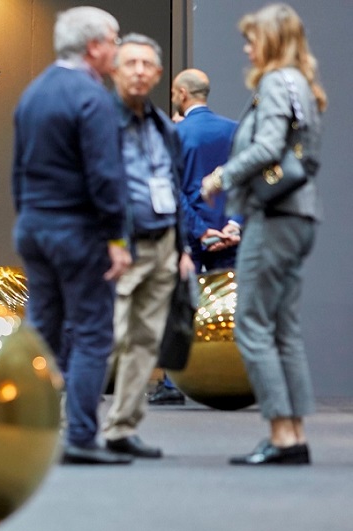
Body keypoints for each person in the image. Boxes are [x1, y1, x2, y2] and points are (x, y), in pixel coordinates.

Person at [201, 3, 325, 465]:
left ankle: (280, 434)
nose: (246, 49)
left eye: (251, 40)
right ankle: (293, 435)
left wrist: (222, 176)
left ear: (271, 41)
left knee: (252, 324)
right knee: (284, 329)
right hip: (299, 214)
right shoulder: (301, 85)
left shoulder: (275, 82)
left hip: (273, 217)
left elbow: (269, 147)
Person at [12, 7, 133, 465]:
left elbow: (18, 172)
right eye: (114, 39)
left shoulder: (33, 93)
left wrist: (29, 220)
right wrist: (117, 239)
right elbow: (106, 177)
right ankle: (81, 436)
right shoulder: (92, 97)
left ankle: (30, 430)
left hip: (34, 227)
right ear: (94, 46)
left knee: (42, 332)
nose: (118, 49)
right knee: (92, 333)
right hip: (79, 232)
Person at [102, 34, 194, 458]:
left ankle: (122, 427)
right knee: (108, 337)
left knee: (144, 341)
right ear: (114, 70)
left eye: (146, 65)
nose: (139, 71)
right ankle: (73, 426)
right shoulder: (100, 121)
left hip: (163, 245)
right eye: (130, 63)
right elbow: (95, 187)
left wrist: (183, 248)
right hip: (120, 248)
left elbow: (174, 188)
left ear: (158, 75)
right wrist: (110, 239)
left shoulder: (162, 126)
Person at [149, 68, 240, 406]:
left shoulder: (174, 134)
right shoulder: (235, 130)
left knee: (179, 306)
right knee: (233, 308)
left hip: (192, 235)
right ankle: (234, 379)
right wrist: (234, 224)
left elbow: (172, 193)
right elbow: (248, 182)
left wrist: (201, 230)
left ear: (181, 94)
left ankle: (171, 383)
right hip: (230, 235)